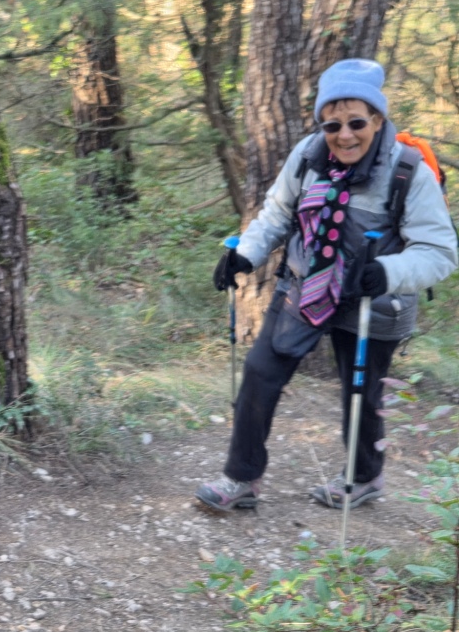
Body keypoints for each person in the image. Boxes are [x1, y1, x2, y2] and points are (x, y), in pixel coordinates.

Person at [196, 58, 457, 513]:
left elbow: (440, 252)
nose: (344, 135)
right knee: (260, 372)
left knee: (361, 395)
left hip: (374, 301)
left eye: (357, 122)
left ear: (377, 120)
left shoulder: (408, 171)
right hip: (305, 284)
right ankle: (241, 478)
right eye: (332, 124)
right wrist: (246, 255)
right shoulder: (308, 155)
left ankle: (363, 478)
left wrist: (388, 272)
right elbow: (278, 214)